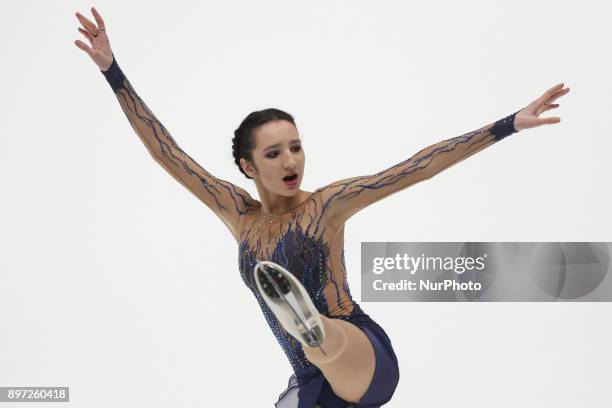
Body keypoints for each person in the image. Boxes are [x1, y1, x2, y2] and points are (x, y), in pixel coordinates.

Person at [74, 6, 570, 407]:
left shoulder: (327, 205)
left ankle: (311, 325)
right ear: (248, 166)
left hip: (360, 355)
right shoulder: (238, 214)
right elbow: (167, 154)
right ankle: (308, 338)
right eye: (274, 153)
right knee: (310, 367)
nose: (291, 161)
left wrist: (508, 124)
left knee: (323, 341)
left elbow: (419, 167)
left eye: (296, 146)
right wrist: (112, 71)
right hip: (312, 386)